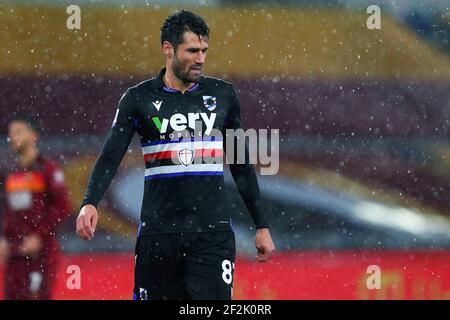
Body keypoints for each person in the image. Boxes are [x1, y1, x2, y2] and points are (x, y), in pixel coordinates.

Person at [76, 10, 275, 300]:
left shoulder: (223, 95)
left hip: (212, 235)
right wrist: (89, 202)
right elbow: (110, 155)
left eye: (204, 51)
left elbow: (241, 165)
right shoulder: (137, 99)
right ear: (168, 49)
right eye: (192, 51)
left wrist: (262, 225)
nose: (201, 59)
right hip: (158, 236)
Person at [0, 115, 72, 299]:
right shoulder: (10, 171)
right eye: (10, 133)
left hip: (40, 254)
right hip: (15, 254)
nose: (12, 137)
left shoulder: (47, 169)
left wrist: (39, 236)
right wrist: (3, 238)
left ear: (33, 136)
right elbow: (8, 209)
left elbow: (63, 206)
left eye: (18, 132)